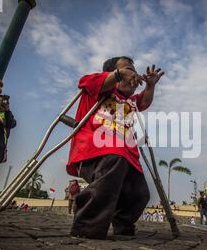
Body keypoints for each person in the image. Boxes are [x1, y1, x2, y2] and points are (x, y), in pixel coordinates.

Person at [66, 57, 164, 239]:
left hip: (125, 157)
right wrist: (118, 75)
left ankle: (123, 224)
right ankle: (87, 225)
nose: (133, 75)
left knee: (140, 192)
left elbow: (143, 102)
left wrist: (150, 85)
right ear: (112, 72)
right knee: (115, 159)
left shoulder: (129, 101)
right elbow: (84, 81)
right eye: (129, 70)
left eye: (134, 72)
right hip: (93, 152)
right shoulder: (99, 86)